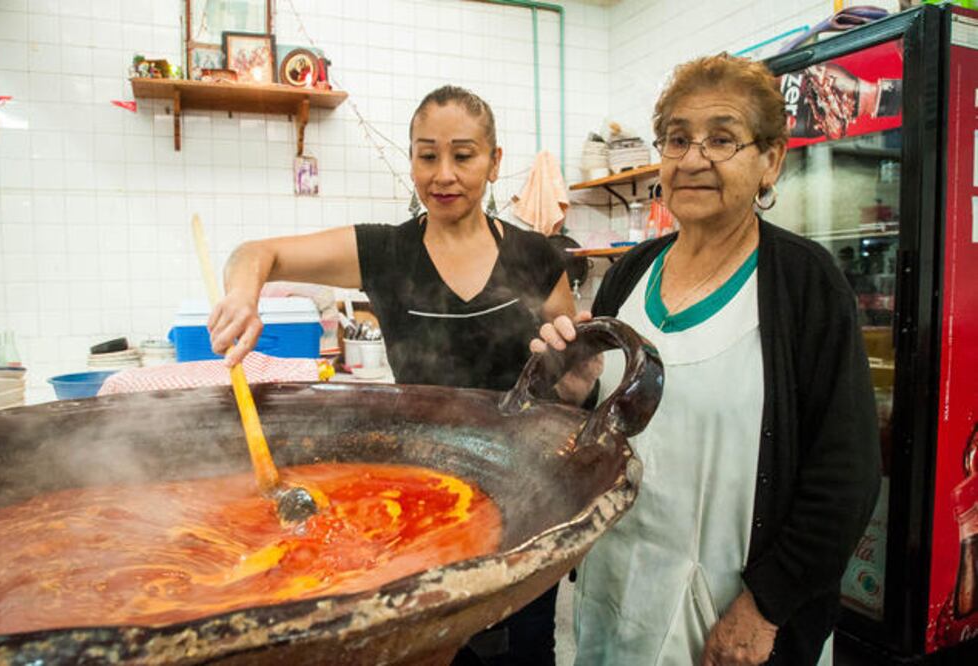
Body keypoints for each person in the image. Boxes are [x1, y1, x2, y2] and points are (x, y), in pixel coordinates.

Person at [208, 85, 575, 665]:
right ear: (411, 159)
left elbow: (572, 373)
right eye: (427, 155)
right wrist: (242, 293)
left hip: (525, 496)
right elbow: (257, 252)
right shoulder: (383, 252)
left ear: (495, 161)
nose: (444, 174)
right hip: (423, 500)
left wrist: (579, 370)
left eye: (464, 155)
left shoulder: (537, 257)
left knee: (524, 647)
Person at [533, 54, 880, 665]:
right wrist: (578, 393)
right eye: (677, 139)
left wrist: (767, 607)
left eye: (722, 139)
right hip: (618, 586)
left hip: (732, 613)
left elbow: (845, 474)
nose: (693, 159)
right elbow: (610, 425)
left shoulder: (805, 286)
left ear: (770, 160)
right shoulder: (631, 274)